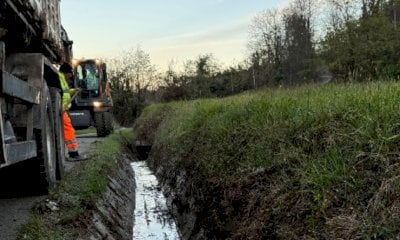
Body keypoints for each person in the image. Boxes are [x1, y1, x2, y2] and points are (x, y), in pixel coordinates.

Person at [59, 62, 86, 161]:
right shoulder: (60, 78)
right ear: (67, 72)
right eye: (70, 74)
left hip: (62, 109)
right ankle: (73, 153)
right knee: (69, 130)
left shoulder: (62, 79)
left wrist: (74, 90)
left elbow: (65, 92)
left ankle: (72, 153)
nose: (71, 76)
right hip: (61, 109)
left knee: (67, 130)